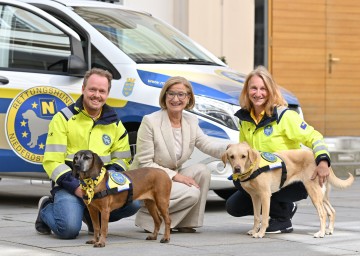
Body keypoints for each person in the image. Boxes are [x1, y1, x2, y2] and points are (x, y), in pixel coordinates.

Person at [35, 68, 140, 239]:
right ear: (83, 89)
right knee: (67, 229)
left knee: (133, 203)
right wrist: (76, 187)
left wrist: (107, 184)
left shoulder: (115, 123)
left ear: (107, 94)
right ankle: (46, 208)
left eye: (102, 91)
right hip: (71, 186)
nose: (96, 95)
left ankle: (93, 215)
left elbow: (123, 159)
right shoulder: (63, 118)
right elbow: (52, 161)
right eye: (92, 89)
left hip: (102, 186)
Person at [226, 66, 330, 233]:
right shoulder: (245, 120)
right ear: (247, 91)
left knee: (263, 187)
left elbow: (314, 137)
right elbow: (245, 152)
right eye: (253, 88)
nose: (258, 93)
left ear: (271, 91)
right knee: (234, 204)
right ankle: (281, 208)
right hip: (263, 176)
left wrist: (323, 161)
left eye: (263, 89)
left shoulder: (285, 116)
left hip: (292, 177)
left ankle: (283, 216)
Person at [131, 76, 229, 233]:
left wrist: (231, 149)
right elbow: (145, 163)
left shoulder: (191, 120)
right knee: (192, 192)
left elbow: (206, 144)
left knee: (203, 171)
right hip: (147, 181)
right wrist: (176, 176)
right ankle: (149, 219)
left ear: (188, 97)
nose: (175, 99)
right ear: (164, 96)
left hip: (167, 177)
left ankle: (187, 222)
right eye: (171, 94)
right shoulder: (150, 121)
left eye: (181, 94)